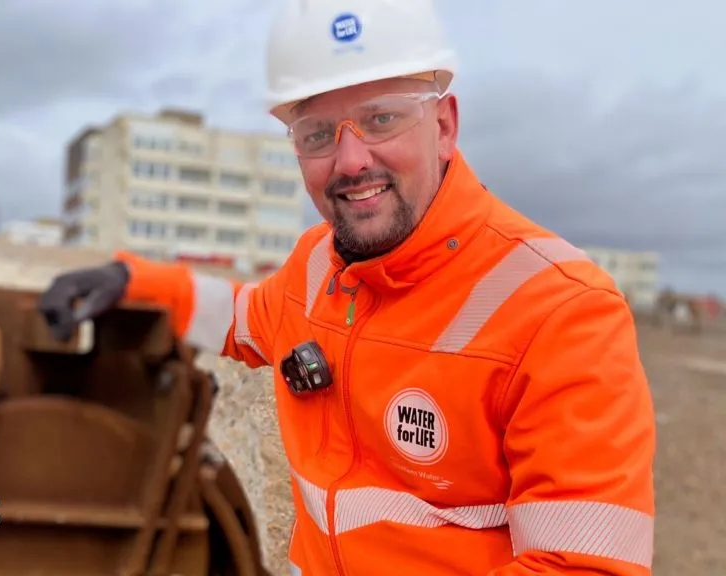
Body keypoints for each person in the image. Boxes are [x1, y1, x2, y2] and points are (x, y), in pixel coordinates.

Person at [38, 0, 657, 573]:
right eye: (317, 133)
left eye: (381, 118)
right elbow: (243, 319)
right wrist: (130, 280)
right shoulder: (317, 264)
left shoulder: (564, 311)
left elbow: (581, 566)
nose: (352, 159)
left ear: (444, 125)